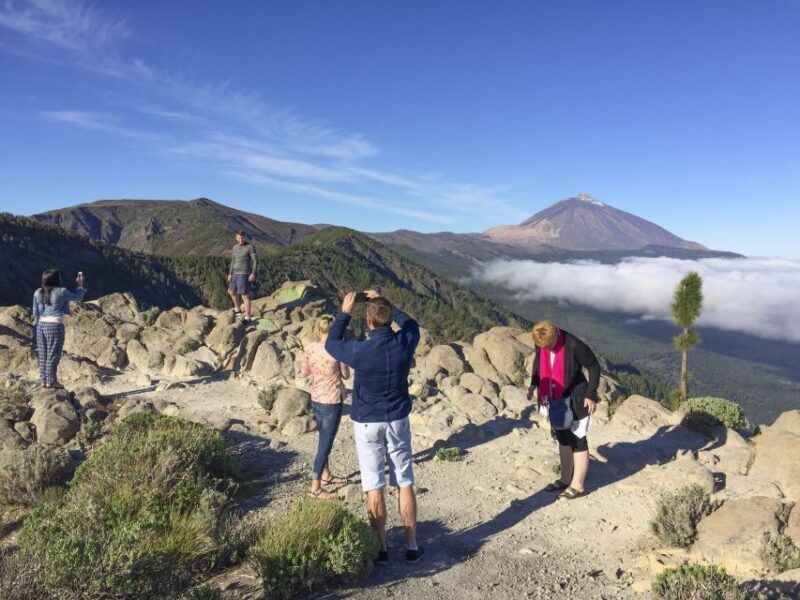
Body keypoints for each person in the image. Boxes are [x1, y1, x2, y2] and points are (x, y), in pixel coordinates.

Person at [325, 290, 423, 564]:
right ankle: (412, 545)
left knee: (373, 484)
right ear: (390, 321)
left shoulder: (359, 350)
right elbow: (412, 325)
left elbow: (331, 343)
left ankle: (381, 548)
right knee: (404, 481)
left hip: (368, 420)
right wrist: (386, 303)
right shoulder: (405, 341)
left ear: (368, 323)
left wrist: (344, 312)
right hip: (397, 419)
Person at [527, 320, 600, 499]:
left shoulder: (573, 344)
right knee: (562, 437)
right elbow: (538, 362)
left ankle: (578, 484)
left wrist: (591, 394)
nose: (547, 349)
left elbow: (594, 366)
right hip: (555, 396)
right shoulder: (542, 342)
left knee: (578, 439)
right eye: (543, 346)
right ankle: (565, 478)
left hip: (577, 397)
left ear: (556, 336)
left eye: (550, 345)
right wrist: (533, 384)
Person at [300, 315, 351, 500]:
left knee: (323, 438)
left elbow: (304, 372)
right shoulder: (337, 350)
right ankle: (315, 487)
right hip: (332, 400)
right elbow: (345, 374)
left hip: (316, 398)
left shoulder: (310, 348)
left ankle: (326, 474)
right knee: (325, 445)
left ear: (318, 330)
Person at [32, 269, 85, 388]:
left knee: (43, 354)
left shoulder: (37, 292)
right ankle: (51, 381)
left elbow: (35, 311)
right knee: (53, 354)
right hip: (55, 325)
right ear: (57, 279)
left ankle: (43, 380)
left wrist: (36, 324)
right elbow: (79, 297)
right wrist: (80, 285)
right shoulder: (62, 291)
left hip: (41, 326)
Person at [226, 230, 257, 323]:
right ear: (236, 238)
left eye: (242, 237)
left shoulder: (250, 247)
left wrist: (253, 273)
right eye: (239, 238)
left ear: (245, 237)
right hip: (235, 273)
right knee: (231, 291)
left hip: (244, 274)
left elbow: (255, 261)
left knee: (244, 296)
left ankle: (248, 317)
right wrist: (230, 273)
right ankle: (238, 310)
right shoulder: (234, 247)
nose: (241, 239)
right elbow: (233, 261)